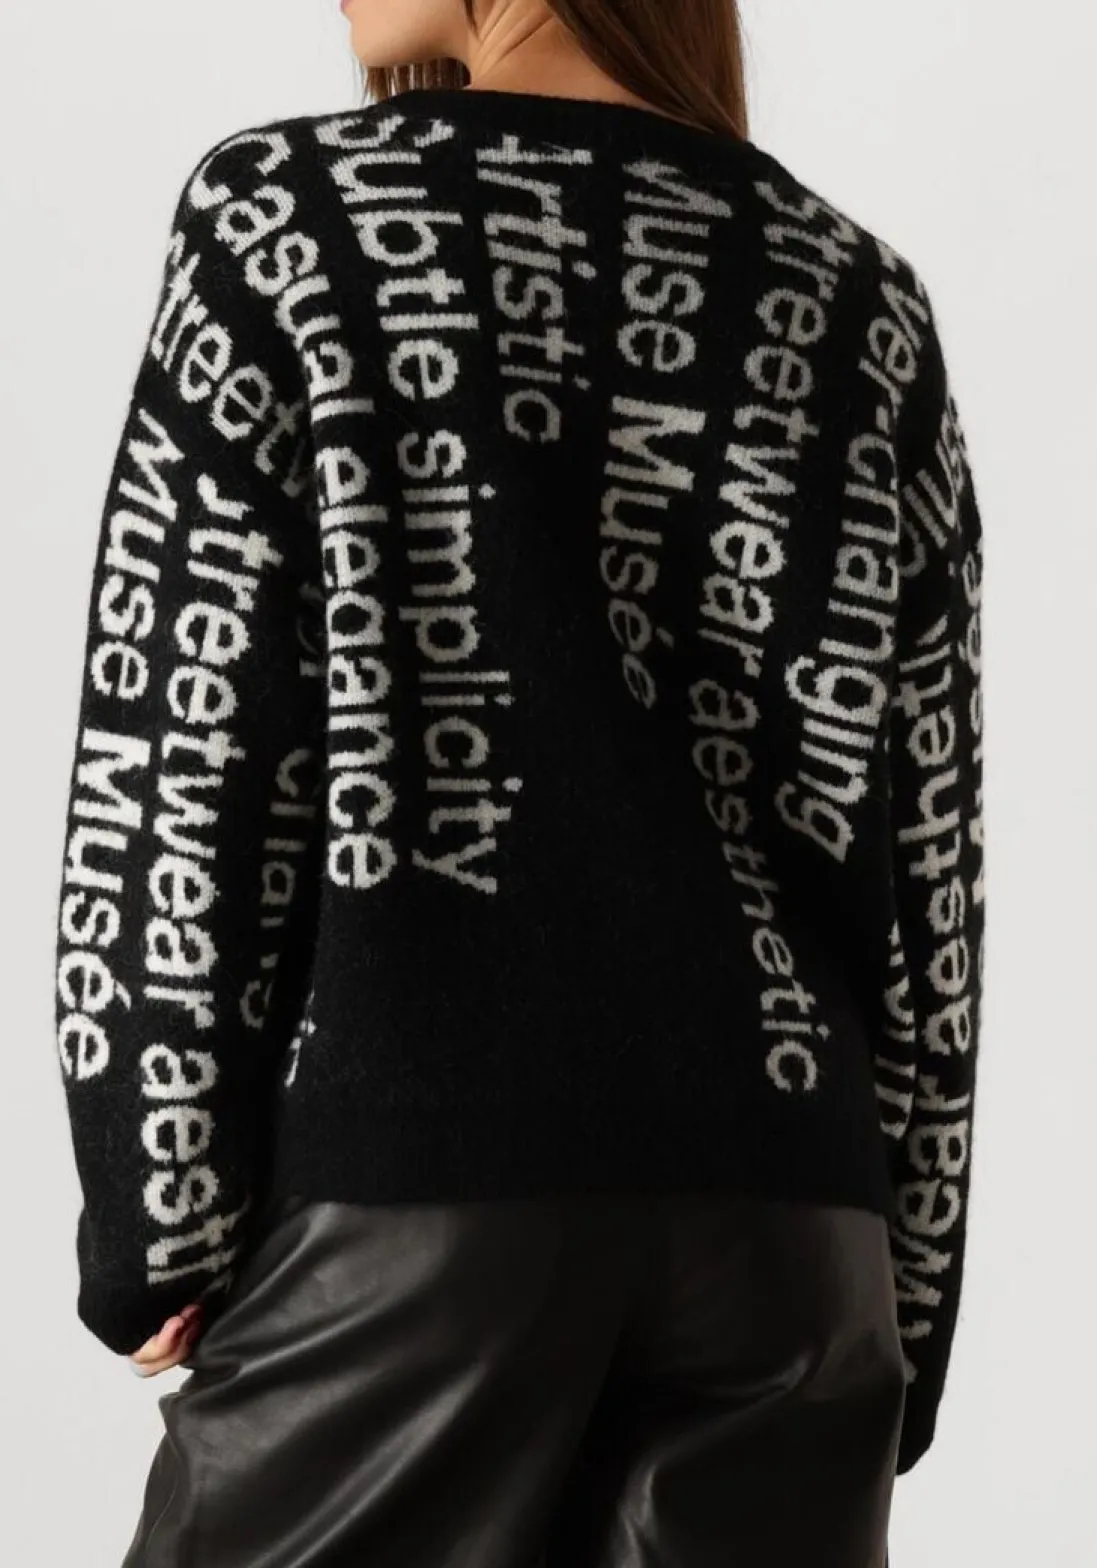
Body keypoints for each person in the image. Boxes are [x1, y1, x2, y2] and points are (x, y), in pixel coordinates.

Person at [52, 0, 986, 1563]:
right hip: (793, 1243)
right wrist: (907, 1305)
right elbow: (928, 862)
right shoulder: (860, 299)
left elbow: (185, 737)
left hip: (421, 1200)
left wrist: (161, 1214)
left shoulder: (293, 219)